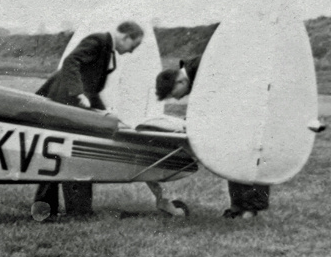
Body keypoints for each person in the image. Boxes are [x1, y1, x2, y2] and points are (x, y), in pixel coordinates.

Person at [31, 21, 145, 221]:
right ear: (126, 37)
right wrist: (77, 93)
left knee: (62, 156)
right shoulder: (98, 41)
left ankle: (65, 209)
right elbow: (71, 62)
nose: (130, 52)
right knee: (60, 155)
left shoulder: (107, 50)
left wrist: (104, 114)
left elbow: (91, 89)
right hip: (61, 104)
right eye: (133, 46)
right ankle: (54, 210)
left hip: (69, 105)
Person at [155, 56, 270, 219]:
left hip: (247, 113)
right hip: (236, 116)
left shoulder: (202, 66)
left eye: (175, 94)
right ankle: (238, 207)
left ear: (179, 82)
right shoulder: (195, 72)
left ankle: (250, 209)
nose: (178, 99)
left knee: (247, 156)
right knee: (233, 159)